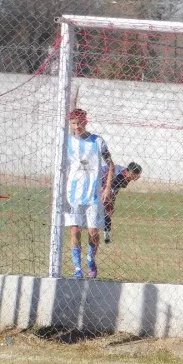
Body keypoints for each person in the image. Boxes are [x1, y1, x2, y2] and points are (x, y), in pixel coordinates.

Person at [63, 108, 113, 279]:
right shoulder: (67, 143)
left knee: (93, 232)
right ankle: (78, 269)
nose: (76, 127)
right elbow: (63, 168)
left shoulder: (97, 141)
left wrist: (107, 188)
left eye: (79, 123)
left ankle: (91, 258)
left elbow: (110, 164)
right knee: (75, 230)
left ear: (85, 122)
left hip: (93, 195)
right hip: (73, 194)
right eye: (73, 124)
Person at [102, 161, 142, 245]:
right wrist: (110, 201)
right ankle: (106, 237)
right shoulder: (120, 176)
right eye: (135, 175)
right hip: (100, 183)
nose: (136, 178)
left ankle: (106, 235)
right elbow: (111, 189)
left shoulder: (125, 173)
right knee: (107, 210)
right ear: (130, 172)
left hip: (105, 185)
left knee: (108, 210)